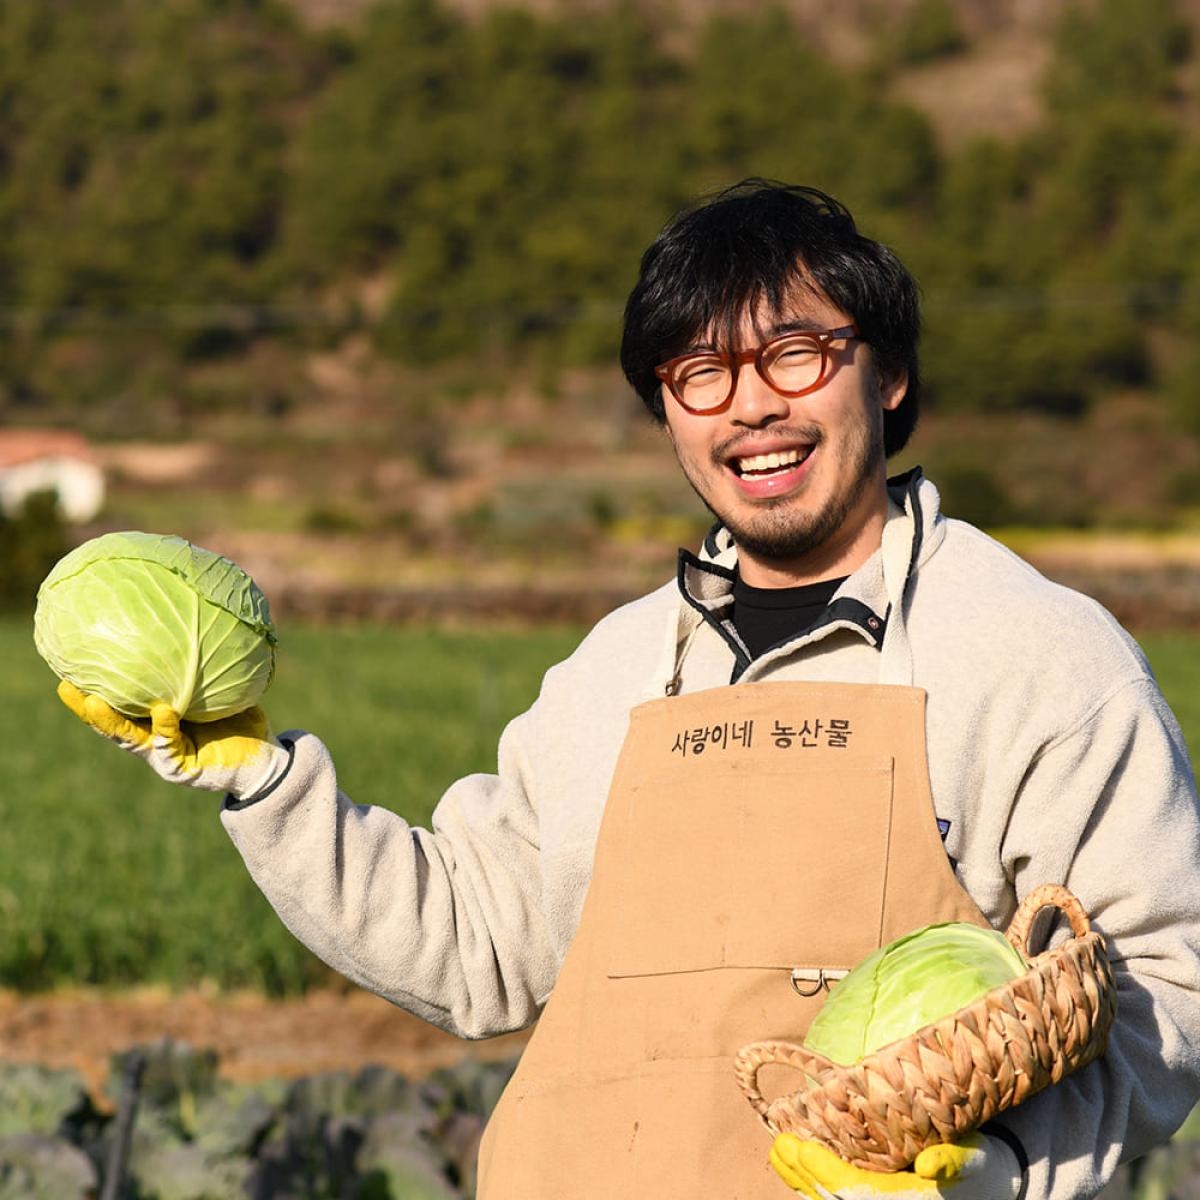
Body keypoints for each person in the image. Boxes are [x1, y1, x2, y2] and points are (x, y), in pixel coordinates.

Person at [59, 180, 1200, 1199]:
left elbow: (1167, 986)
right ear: (666, 412)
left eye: (795, 354)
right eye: (700, 375)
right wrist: (260, 782)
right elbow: (476, 947)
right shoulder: (611, 672)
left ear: (890, 375)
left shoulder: (1034, 654)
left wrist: (996, 1180)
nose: (749, 407)